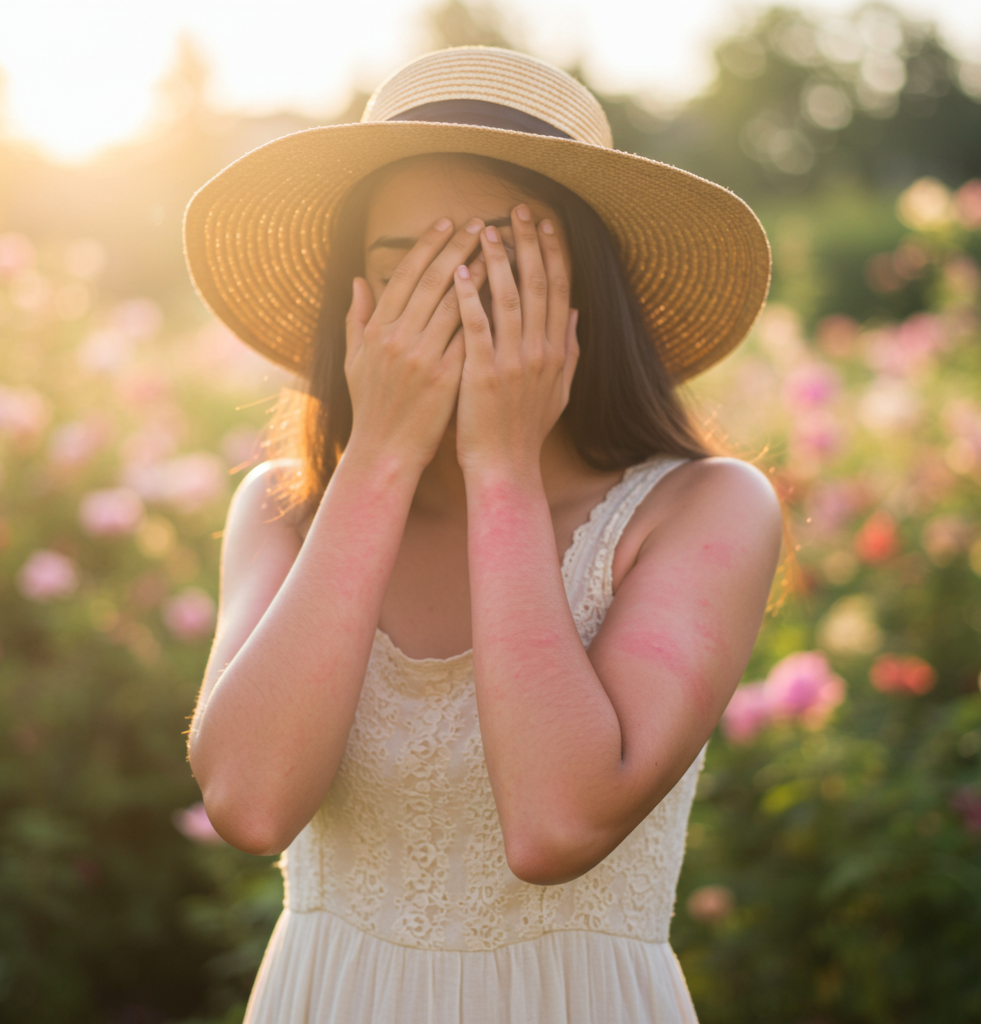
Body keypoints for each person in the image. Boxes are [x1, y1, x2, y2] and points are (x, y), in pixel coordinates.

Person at [183, 46, 783, 1024]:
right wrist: (377, 458)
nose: (453, 295)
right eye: (407, 261)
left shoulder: (703, 507)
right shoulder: (281, 510)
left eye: (500, 253)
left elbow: (555, 824)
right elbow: (250, 804)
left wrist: (499, 463)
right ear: (355, 303)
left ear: (580, 287)